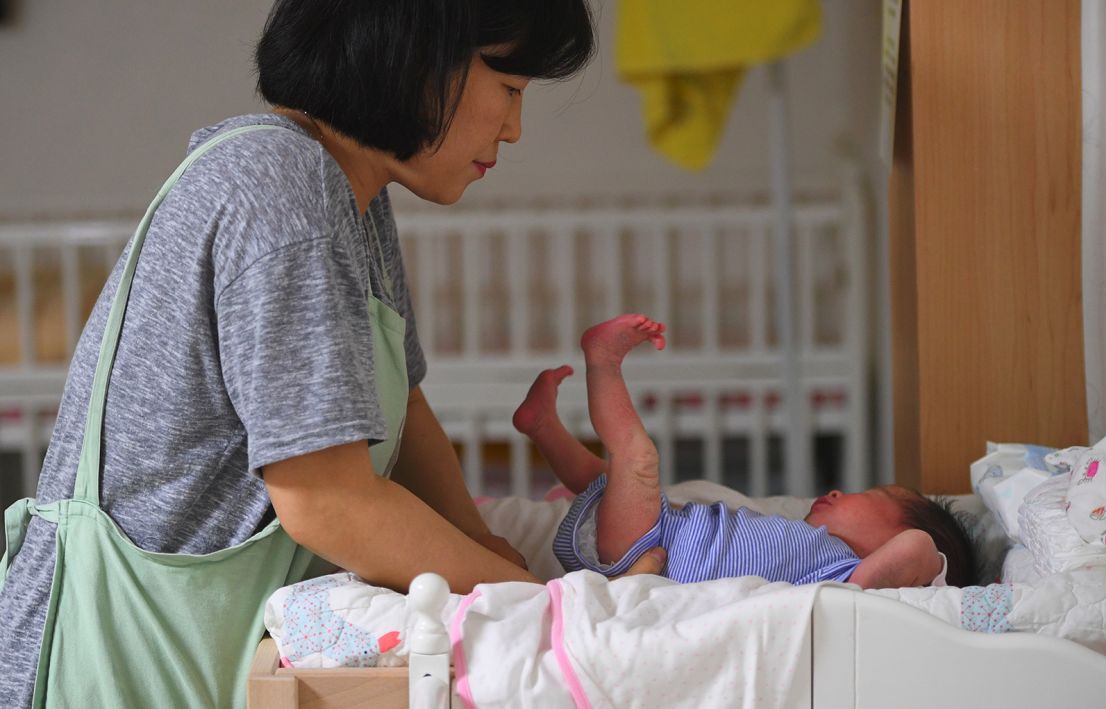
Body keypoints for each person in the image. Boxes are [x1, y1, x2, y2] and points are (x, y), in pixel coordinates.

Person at [0, 3, 664, 706]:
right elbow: (327, 500)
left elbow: (405, 411)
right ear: (416, 57)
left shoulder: (354, 194)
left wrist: (487, 552)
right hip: (99, 664)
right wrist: (549, 606)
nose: (514, 128)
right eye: (510, 89)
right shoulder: (282, 186)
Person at [513, 314, 977, 589]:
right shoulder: (819, 552)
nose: (837, 491)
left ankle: (604, 361)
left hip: (651, 552)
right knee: (609, 476)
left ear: (890, 545)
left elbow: (918, 547)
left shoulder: (844, 580)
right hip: (662, 534)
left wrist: (908, 574)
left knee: (636, 460)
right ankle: (544, 427)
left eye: (869, 497)